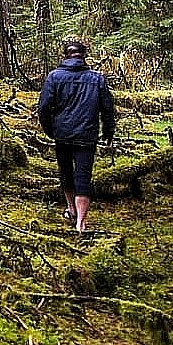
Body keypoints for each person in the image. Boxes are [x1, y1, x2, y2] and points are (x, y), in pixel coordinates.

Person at [38, 40, 116, 234]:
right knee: (83, 176)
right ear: (83, 56)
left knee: (65, 172)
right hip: (87, 136)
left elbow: (44, 108)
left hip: (62, 135)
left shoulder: (54, 77)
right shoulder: (97, 79)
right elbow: (107, 109)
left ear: (66, 56)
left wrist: (50, 130)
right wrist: (108, 132)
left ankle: (71, 209)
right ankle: (81, 221)